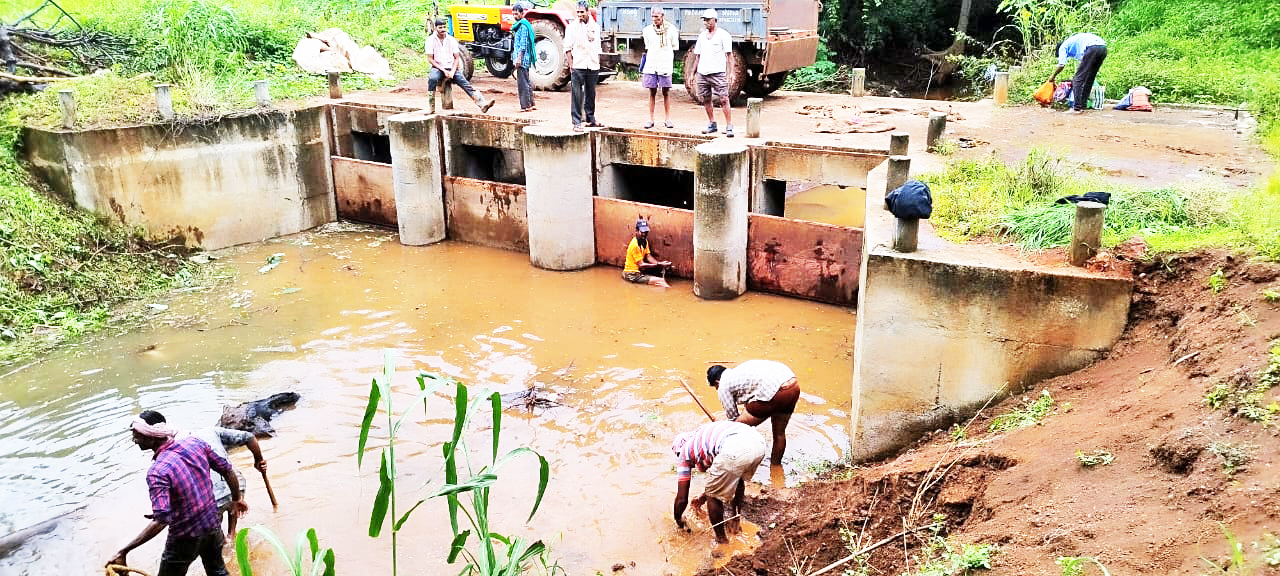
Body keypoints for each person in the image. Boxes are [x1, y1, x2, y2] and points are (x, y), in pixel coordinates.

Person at [107, 411, 247, 576]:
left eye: (137, 435)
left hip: (185, 538)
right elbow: (227, 470)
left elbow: (162, 520)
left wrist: (124, 551)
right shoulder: (195, 443)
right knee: (218, 571)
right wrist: (237, 499)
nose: (134, 440)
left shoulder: (157, 472)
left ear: (151, 437)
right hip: (212, 525)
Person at [670, 421, 766, 544]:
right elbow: (729, 475)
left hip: (736, 449)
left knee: (713, 496)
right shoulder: (703, 437)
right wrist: (703, 496)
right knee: (737, 479)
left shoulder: (684, 452)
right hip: (758, 443)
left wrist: (678, 520)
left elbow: (682, 499)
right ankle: (735, 520)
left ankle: (722, 540)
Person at [707, 360, 800, 464]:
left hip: (776, 390)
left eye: (715, 387)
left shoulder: (723, 385)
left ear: (717, 382)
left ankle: (738, 461)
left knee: (734, 429)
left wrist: (721, 427)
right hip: (793, 385)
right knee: (779, 434)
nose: (717, 389)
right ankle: (776, 467)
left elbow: (732, 420)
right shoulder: (738, 372)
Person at [425, 18, 495, 115]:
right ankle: (431, 107)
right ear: (435, 28)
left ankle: (482, 104)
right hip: (438, 67)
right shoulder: (430, 40)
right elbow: (431, 59)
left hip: (451, 67)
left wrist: (452, 71)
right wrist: (444, 71)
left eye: (444, 27)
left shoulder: (451, 40)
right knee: (432, 79)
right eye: (440, 27)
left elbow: (457, 58)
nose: (443, 29)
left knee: (464, 82)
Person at [689, 9, 734, 137]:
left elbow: (729, 55)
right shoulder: (702, 36)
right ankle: (712, 123)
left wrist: (731, 72)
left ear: (715, 20)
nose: (706, 22)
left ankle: (729, 125)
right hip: (703, 73)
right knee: (706, 98)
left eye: (708, 20)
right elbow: (697, 56)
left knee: (724, 98)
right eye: (704, 20)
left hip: (718, 73)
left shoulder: (723, 35)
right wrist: (692, 73)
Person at [565, 1, 602, 132]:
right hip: (578, 64)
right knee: (576, 94)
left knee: (591, 93)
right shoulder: (571, 28)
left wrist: (597, 63)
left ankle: (590, 119)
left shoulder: (595, 27)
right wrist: (571, 65)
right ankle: (576, 122)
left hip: (592, 64)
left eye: (582, 12)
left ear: (588, 12)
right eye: (578, 12)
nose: (580, 14)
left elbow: (598, 47)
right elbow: (567, 48)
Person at [1047, 33, 1107, 115]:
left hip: (1092, 48)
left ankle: (1076, 108)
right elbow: (1084, 62)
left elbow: (1061, 64)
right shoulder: (1072, 43)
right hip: (1103, 48)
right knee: (1089, 78)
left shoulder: (1062, 47)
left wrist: (1052, 76)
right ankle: (1082, 105)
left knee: (1076, 80)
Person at [641, 7, 678, 129]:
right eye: (652, 16)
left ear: (662, 16)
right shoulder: (647, 31)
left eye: (657, 16)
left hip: (665, 65)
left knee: (666, 92)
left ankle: (667, 119)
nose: (654, 19)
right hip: (651, 65)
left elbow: (674, 46)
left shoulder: (671, 29)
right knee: (652, 92)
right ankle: (651, 119)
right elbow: (648, 46)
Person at [623, 218, 672, 287]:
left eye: (646, 232)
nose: (644, 234)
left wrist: (660, 264)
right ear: (636, 231)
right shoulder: (635, 245)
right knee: (660, 281)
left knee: (661, 274)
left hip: (639, 271)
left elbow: (648, 256)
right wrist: (659, 264)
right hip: (631, 274)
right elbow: (641, 265)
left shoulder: (644, 241)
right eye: (642, 232)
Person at [511, 2, 537, 112]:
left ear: (522, 14)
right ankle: (531, 104)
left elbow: (523, 45)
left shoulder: (523, 26)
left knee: (522, 83)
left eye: (516, 14)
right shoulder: (520, 25)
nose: (514, 16)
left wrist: (518, 59)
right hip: (523, 58)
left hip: (522, 59)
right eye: (513, 14)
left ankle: (525, 106)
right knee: (526, 81)